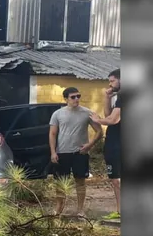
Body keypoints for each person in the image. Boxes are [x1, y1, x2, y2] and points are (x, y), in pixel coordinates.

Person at [49, 86, 104, 217]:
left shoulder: (87, 112)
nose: (76, 99)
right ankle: (59, 208)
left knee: (80, 181)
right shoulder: (58, 114)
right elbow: (52, 133)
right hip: (62, 152)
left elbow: (99, 131)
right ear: (66, 99)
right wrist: (53, 152)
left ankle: (80, 210)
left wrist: (89, 145)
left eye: (78, 96)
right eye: (73, 97)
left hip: (80, 153)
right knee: (61, 182)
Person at [91, 69, 121, 220]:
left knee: (117, 179)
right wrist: (107, 98)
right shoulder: (118, 97)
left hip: (118, 143)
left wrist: (97, 120)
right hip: (115, 141)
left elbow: (112, 120)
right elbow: (109, 114)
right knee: (115, 179)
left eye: (112, 81)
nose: (109, 84)